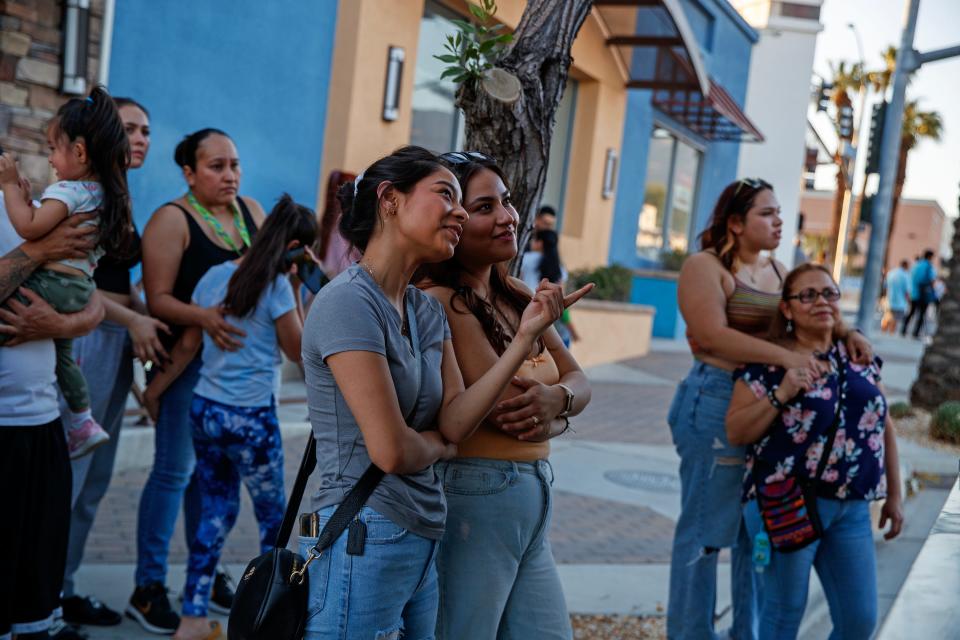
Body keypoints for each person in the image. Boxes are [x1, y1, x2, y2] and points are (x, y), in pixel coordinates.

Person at [299, 146, 591, 639]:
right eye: (447, 197)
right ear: (390, 200)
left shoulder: (421, 310)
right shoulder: (349, 303)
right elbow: (393, 449)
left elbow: (455, 421)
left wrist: (527, 343)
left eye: (464, 202)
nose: (457, 212)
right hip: (363, 530)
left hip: (420, 529)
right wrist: (441, 445)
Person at [668, 177, 873, 640]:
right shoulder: (706, 266)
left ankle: (747, 634)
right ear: (736, 223)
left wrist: (849, 334)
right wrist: (787, 359)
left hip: (765, 403)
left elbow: (811, 306)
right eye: (767, 213)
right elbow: (712, 335)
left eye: (779, 213)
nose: (779, 221)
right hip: (715, 397)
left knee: (750, 534)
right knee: (704, 532)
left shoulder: (781, 272)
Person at [418, 151, 591, 639]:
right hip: (477, 496)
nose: (507, 217)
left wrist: (558, 403)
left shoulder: (515, 291)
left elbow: (579, 382)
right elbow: (502, 410)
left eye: (508, 202)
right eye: (485, 206)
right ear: (453, 222)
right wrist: (556, 400)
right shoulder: (441, 300)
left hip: (531, 493)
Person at [141, 195, 314, 640]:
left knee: (214, 513)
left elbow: (186, 347)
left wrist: (153, 391)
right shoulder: (276, 286)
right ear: (295, 247)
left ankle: (192, 618)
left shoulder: (214, 277)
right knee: (273, 518)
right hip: (251, 419)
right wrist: (297, 286)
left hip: (206, 412)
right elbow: (297, 351)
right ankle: (268, 617)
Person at [130, 128, 265, 634]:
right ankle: (147, 587)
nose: (229, 174)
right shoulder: (172, 219)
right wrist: (205, 317)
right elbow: (158, 299)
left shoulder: (251, 212)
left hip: (239, 374)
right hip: (186, 369)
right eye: (216, 166)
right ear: (189, 172)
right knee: (173, 473)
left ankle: (206, 578)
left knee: (215, 482)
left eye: (234, 164)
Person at [726, 263, 904, 639]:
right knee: (781, 618)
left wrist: (895, 495)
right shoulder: (769, 360)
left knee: (859, 621)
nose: (821, 301)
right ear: (787, 309)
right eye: (807, 295)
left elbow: (884, 423)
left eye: (829, 293)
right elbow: (737, 430)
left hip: (852, 508)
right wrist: (782, 393)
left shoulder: (858, 355)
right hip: (786, 503)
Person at [55, 96, 171, 630]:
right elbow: (78, 292)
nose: (140, 139)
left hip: (112, 349)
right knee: (68, 480)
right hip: (85, 348)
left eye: (146, 130)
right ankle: (42, 598)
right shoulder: (81, 200)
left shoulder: (118, 198)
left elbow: (116, 289)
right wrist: (137, 320)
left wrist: (142, 317)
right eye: (129, 129)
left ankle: (63, 587)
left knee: (93, 482)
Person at [0, 85, 133, 460]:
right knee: (64, 358)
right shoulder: (101, 197)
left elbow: (28, 227)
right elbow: (35, 234)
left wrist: (11, 191)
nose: (50, 159)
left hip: (34, 422)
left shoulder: (68, 195)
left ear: (79, 151)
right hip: (72, 288)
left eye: (52, 148)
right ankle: (82, 420)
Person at [0, 202, 102, 640]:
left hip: (43, 419)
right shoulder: (37, 232)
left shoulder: (29, 208)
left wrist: (59, 322)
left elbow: (93, 302)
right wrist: (36, 253)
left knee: (36, 565)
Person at [901, 249, 936, 338]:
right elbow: (932, 280)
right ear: (930, 257)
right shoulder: (928, 266)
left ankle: (903, 330)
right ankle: (915, 333)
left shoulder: (916, 265)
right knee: (921, 314)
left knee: (911, 312)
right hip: (923, 294)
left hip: (914, 293)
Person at [883, 260, 910, 335]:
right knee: (895, 319)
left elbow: (885, 286)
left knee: (887, 316)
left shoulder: (891, 273)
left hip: (889, 299)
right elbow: (907, 291)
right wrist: (908, 301)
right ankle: (891, 334)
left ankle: (884, 332)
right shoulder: (905, 275)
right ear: (905, 266)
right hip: (900, 302)